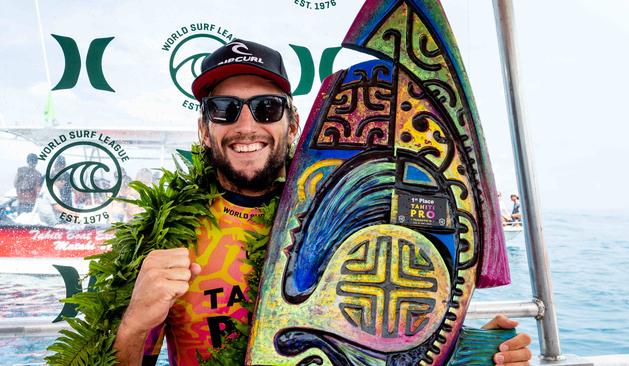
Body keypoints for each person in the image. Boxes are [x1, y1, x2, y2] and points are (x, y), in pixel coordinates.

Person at [114, 39, 531, 366]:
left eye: (266, 108)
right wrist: (134, 323)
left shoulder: (349, 212)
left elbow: (388, 341)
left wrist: (473, 350)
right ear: (204, 129)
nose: (245, 125)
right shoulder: (161, 237)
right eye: (224, 109)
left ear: (292, 122)